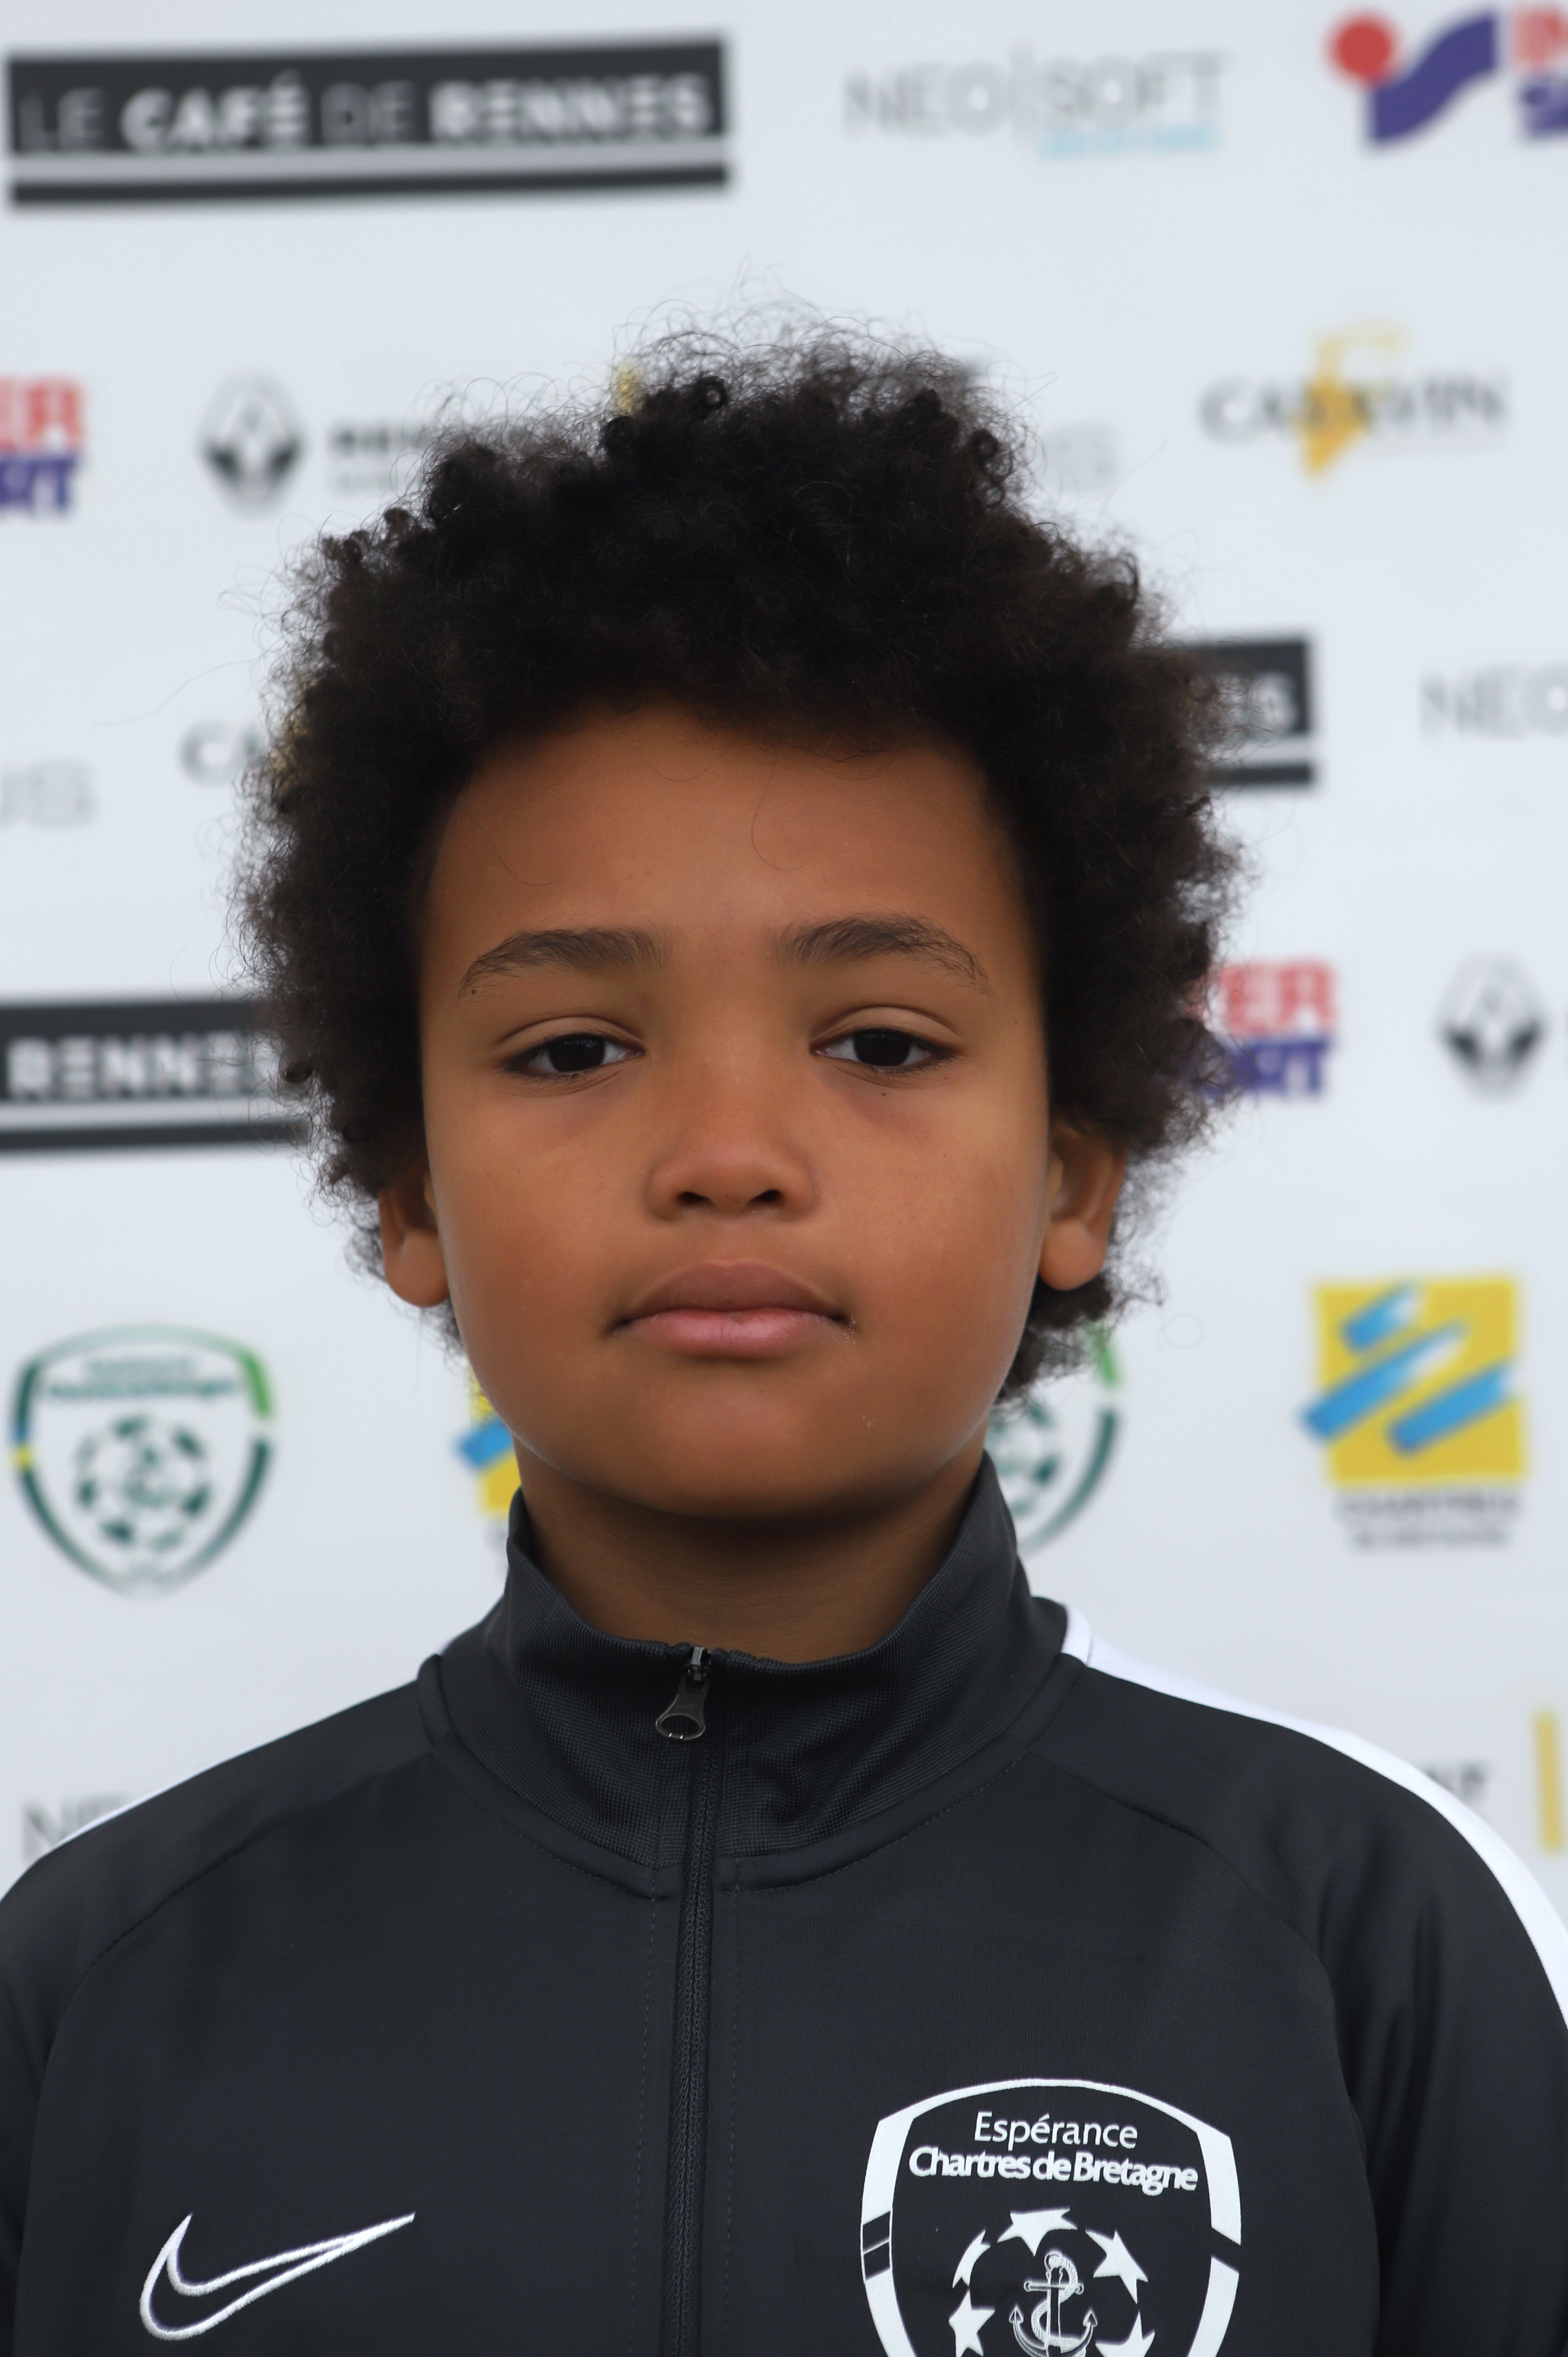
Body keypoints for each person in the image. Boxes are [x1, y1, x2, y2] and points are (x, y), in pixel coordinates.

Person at [1, 330, 1564, 2357]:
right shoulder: (98, 1985)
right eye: (575, 1048)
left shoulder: (1363, 1937)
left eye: (881, 1044)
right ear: (408, 1193)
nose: (728, 1153)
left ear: (1072, 1178)